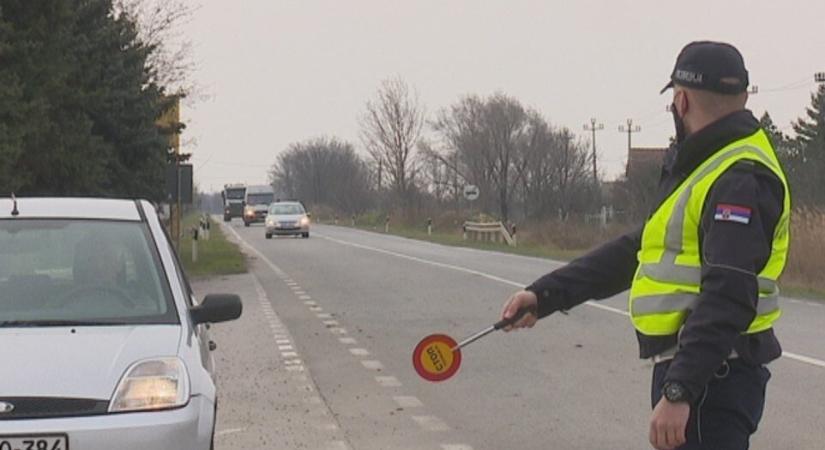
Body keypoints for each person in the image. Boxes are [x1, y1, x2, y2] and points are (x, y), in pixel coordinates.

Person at [500, 41, 790, 450]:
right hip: (704, 372)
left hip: (712, 378)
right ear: (743, 97)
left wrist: (681, 391)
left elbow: (729, 292)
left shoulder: (738, 176)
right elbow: (639, 249)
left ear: (681, 100)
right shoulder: (707, 165)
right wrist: (544, 294)